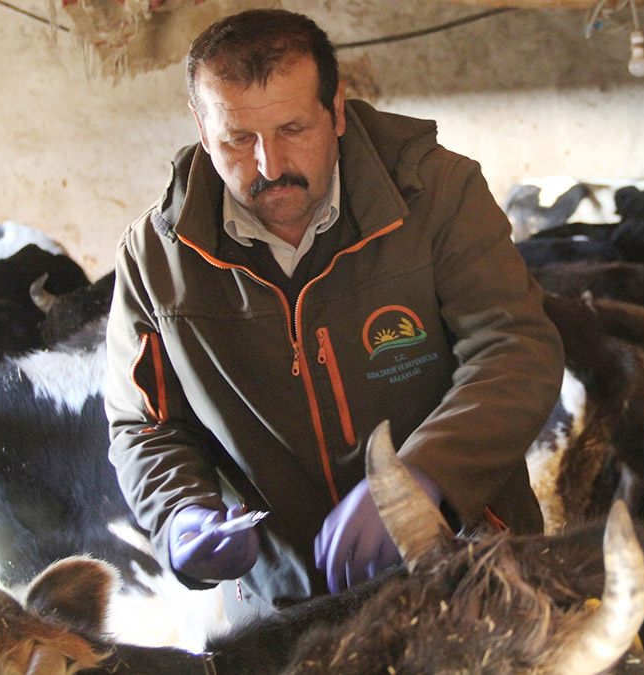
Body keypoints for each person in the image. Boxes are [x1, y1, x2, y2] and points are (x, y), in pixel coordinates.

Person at [104, 9, 564, 615]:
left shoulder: (436, 195)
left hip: (467, 566)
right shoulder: (156, 256)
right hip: (284, 606)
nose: (270, 165)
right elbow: (145, 424)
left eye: (294, 128)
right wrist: (181, 516)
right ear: (200, 124)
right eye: (238, 139)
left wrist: (426, 479)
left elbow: (515, 350)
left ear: (338, 110)